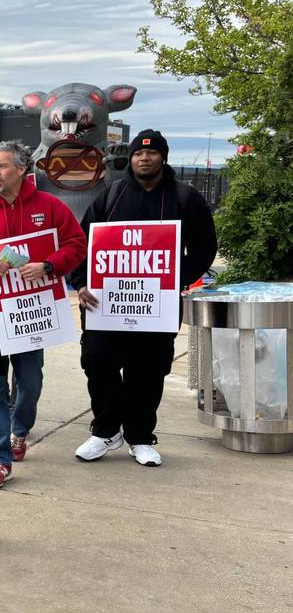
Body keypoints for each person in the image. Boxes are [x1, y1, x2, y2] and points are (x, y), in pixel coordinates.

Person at [69, 130, 217, 467]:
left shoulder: (184, 197)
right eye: (138, 154)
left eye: (151, 154)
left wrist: (177, 278)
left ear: (163, 158)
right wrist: (80, 283)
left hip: (157, 307)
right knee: (97, 360)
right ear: (131, 158)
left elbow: (205, 247)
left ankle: (140, 437)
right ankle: (105, 430)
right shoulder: (113, 195)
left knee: (147, 372)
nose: (144, 159)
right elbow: (83, 242)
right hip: (107, 305)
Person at [0, 141, 86, 488]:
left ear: (22, 169)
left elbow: (76, 245)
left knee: (29, 383)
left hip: (31, 315)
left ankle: (20, 429)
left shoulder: (49, 206)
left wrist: (49, 265)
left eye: (2, 167)